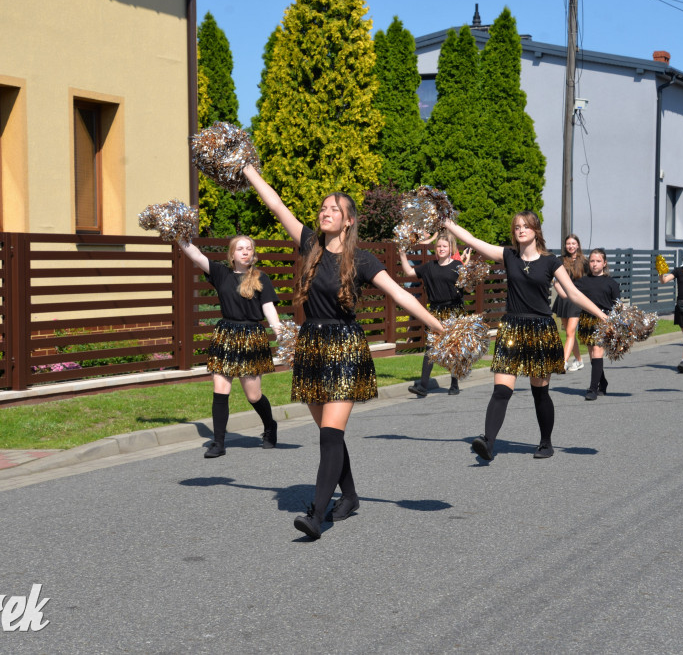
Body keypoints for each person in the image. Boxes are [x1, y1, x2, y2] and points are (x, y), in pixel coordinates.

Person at [242, 165, 446, 540]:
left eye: (334, 209)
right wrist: (246, 168)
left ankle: (317, 515)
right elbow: (275, 204)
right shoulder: (310, 245)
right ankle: (349, 496)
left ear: (348, 220)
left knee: (330, 436)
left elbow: (399, 294)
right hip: (311, 347)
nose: (325, 212)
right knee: (328, 433)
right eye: (323, 208)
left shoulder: (363, 260)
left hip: (345, 348)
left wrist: (438, 327)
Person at [443, 211, 607, 461]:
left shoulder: (551, 262)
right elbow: (473, 240)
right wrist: (446, 222)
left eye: (526, 226)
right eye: (517, 226)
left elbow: (573, 294)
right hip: (512, 329)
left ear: (535, 230)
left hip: (541, 330)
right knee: (501, 390)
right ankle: (488, 442)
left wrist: (602, 316)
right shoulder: (508, 256)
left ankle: (546, 442)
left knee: (539, 392)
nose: (521, 230)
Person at [177, 235, 283, 457]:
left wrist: (280, 333)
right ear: (232, 254)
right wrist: (176, 234)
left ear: (253, 254)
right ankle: (218, 443)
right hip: (226, 334)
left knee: (253, 396)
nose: (245, 252)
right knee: (220, 389)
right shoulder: (221, 273)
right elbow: (196, 255)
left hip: (251, 337)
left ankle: (270, 425)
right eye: (240, 248)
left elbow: (269, 309)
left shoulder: (261, 278)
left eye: (249, 248)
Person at [399, 230, 470, 396]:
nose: (441, 249)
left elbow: (468, 288)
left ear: (451, 248)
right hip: (436, 311)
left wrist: (469, 279)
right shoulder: (429, 267)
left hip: (454, 310)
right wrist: (402, 255)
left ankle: (454, 384)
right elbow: (409, 273)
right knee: (431, 348)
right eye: (439, 246)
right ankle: (423, 387)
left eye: (444, 246)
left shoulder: (458, 266)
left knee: (453, 348)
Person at [574, 248, 621, 401]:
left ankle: (593, 389)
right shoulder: (582, 281)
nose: (594, 264)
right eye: (592, 261)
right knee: (592, 355)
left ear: (604, 263)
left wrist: (616, 324)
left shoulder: (612, 283)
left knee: (597, 351)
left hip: (603, 321)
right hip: (587, 321)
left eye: (598, 261)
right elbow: (570, 292)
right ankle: (602, 381)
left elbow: (618, 306)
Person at [551, 233, 587, 372]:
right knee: (569, 333)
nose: (570, 246)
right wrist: (560, 290)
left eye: (573, 243)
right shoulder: (560, 260)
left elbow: (589, 281)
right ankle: (579, 360)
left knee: (571, 332)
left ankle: (563, 362)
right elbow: (554, 278)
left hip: (577, 299)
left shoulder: (584, 261)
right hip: (563, 299)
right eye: (568, 244)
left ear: (577, 245)